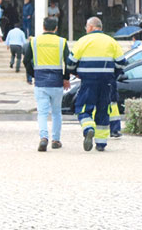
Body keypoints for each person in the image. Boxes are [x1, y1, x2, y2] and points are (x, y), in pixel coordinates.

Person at [66, 16, 126, 152]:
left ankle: (88, 128)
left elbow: (70, 62)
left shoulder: (83, 41)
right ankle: (101, 143)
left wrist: (76, 72)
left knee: (82, 108)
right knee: (103, 110)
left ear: (91, 27)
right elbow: (121, 63)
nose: (86, 29)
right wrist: (113, 75)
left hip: (88, 81)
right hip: (107, 82)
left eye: (86, 27)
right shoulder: (111, 41)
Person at [23, 17, 71, 152]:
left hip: (41, 82)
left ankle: (43, 138)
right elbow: (69, 62)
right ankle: (56, 140)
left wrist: (33, 74)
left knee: (42, 113)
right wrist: (66, 78)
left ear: (43, 27)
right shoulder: (62, 42)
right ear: (56, 28)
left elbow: (26, 60)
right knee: (56, 112)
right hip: (57, 82)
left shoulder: (34, 41)